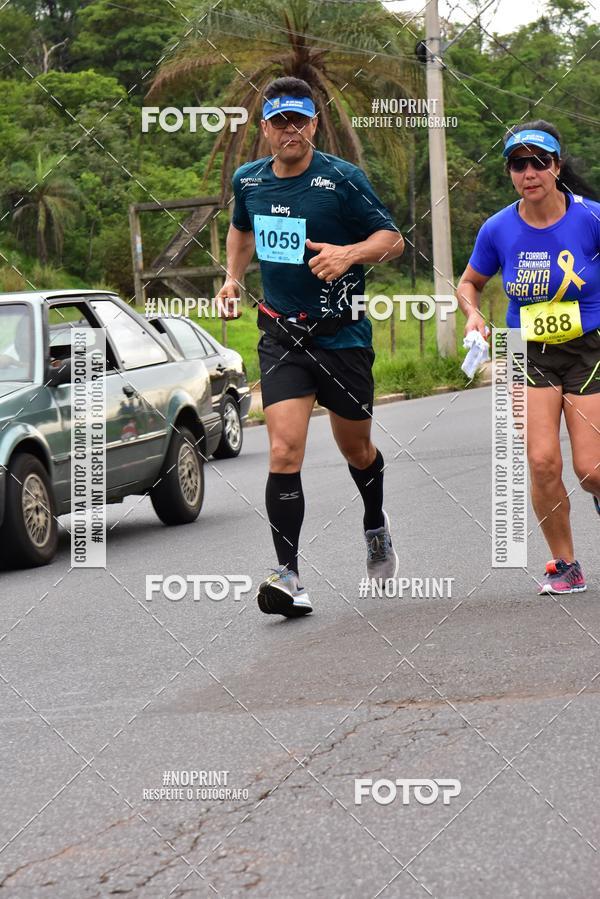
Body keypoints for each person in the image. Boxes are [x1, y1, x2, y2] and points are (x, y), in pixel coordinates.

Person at [216, 76, 404, 617]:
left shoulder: (342, 179)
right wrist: (232, 279)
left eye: (299, 120)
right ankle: (289, 576)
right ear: (265, 130)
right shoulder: (249, 181)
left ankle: (375, 524)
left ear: (315, 124)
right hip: (282, 336)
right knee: (283, 451)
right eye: (279, 122)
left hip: (342, 335)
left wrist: (348, 255)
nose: (289, 130)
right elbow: (240, 231)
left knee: (357, 451)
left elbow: (391, 239)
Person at [457, 120, 600, 594]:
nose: (529, 172)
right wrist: (473, 316)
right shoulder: (498, 229)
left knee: (591, 470)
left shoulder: (591, 219)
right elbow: (469, 282)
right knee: (542, 462)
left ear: (557, 166)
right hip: (524, 349)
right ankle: (565, 565)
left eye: (540, 161)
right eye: (519, 164)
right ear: (510, 173)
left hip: (589, 348)